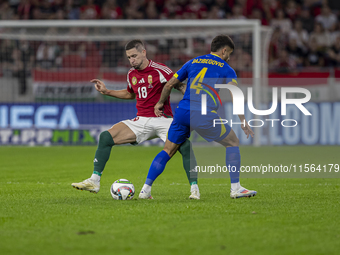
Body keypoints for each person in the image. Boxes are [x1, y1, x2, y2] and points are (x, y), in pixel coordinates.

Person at [72, 39, 200, 199]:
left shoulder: (160, 70)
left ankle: (194, 189)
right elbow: (130, 94)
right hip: (141, 120)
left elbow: (181, 87)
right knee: (106, 137)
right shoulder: (131, 74)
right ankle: (94, 180)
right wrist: (107, 91)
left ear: (144, 53)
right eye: (128, 57)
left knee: (185, 146)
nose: (131, 60)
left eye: (134, 56)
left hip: (164, 120)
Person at [139, 35, 256, 199]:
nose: (229, 57)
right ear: (224, 51)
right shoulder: (227, 68)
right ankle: (235, 188)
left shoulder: (193, 62)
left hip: (183, 112)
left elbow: (169, 84)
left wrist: (159, 103)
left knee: (168, 150)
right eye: (229, 53)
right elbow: (235, 94)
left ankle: (145, 190)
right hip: (203, 114)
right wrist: (243, 121)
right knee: (232, 142)